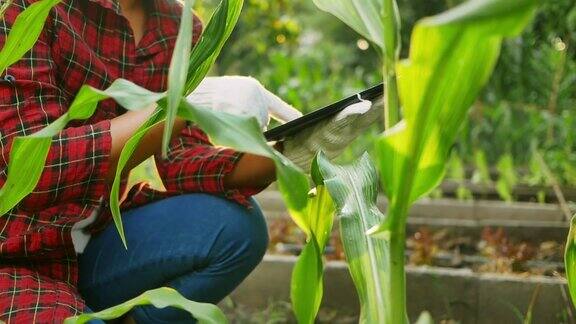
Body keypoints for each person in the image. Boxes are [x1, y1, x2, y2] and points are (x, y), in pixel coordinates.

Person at [0, 0, 379, 323]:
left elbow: (185, 162)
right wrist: (181, 104)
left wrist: (290, 155)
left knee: (234, 227)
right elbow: (36, 169)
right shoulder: (28, 9)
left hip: (89, 244)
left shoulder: (176, 26)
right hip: (15, 256)